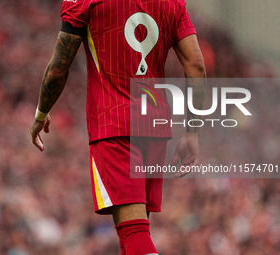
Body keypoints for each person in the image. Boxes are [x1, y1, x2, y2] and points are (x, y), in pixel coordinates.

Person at [30, 0, 206, 254]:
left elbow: (59, 66)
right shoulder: (173, 2)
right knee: (132, 232)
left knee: (134, 231)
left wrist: (41, 112)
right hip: (155, 127)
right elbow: (196, 64)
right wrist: (192, 131)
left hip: (114, 124)